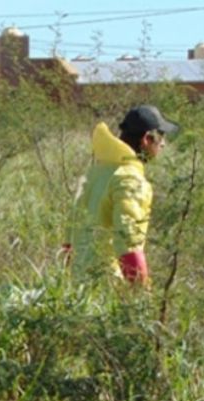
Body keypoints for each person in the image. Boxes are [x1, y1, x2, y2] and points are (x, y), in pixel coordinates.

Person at [62, 104, 178, 286]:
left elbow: (69, 243)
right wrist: (142, 299)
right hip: (105, 288)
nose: (163, 143)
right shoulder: (130, 179)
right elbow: (128, 246)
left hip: (77, 292)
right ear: (147, 139)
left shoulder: (96, 172)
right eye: (161, 137)